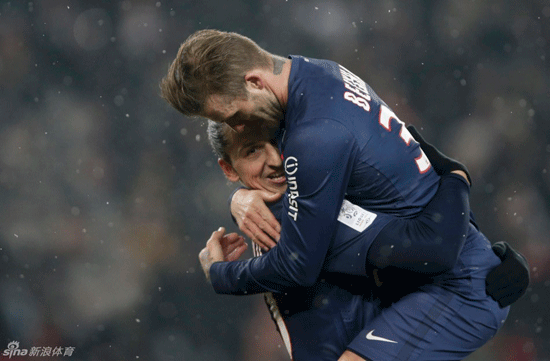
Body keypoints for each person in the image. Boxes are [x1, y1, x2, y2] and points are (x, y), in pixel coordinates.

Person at [160, 29, 529, 360]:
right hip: (436, 280)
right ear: (228, 169)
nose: (240, 125)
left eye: (235, 115)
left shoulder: (314, 142)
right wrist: (238, 199)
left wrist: (222, 275)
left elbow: (425, 247)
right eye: (249, 148)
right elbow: (407, 178)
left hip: (451, 285)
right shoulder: (319, 77)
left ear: (255, 81)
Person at [204, 119, 527, 360]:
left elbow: (419, 210)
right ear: (228, 169)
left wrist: (479, 251)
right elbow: (431, 248)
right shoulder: (300, 212)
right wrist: (457, 177)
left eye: (278, 140)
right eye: (252, 150)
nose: (275, 158)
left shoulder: (326, 180)